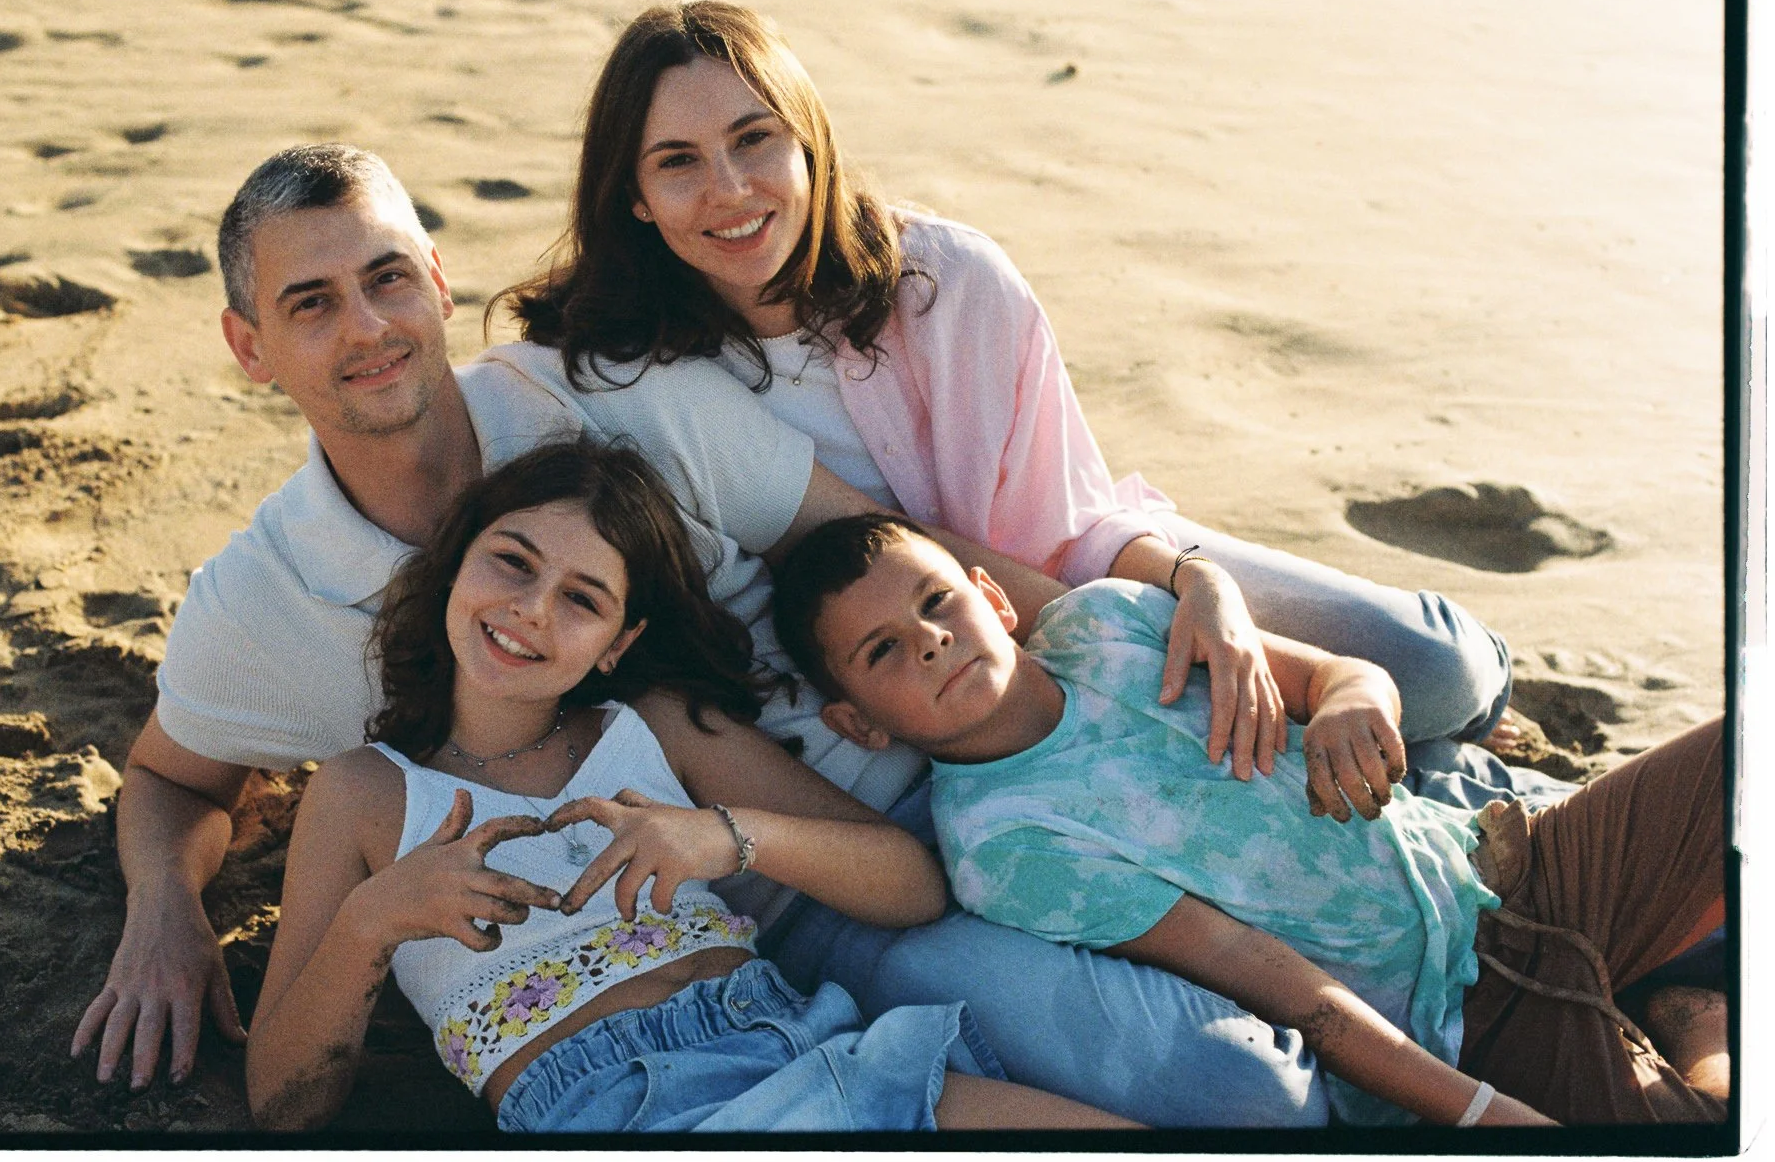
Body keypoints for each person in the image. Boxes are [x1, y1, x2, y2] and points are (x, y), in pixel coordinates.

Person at [72, 142, 1321, 1125]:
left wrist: (1171, 583)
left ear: (438, 279)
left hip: (922, 786)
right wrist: (161, 911)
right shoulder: (266, 603)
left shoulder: (605, 396)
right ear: (249, 346)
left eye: (388, 276)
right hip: (776, 926)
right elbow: (174, 776)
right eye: (311, 302)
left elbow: (880, 543)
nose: (368, 327)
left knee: (1385, 759)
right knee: (1230, 1093)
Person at [498, 0, 1567, 816]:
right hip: (914, 667)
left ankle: (1470, 720)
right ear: (631, 195)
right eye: (677, 162)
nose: (729, 190)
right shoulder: (638, 374)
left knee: (1435, 669)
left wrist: (1199, 590)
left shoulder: (946, 281)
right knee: (1277, 749)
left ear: (808, 141)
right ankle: (1452, 773)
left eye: (753, 139)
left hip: (1088, 574)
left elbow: (1066, 522)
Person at [248, 439, 1137, 1132]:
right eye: (512, 562)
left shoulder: (651, 726)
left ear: (618, 644)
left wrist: (723, 837)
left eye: (582, 598)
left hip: (817, 1048)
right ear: (455, 563)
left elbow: (910, 881)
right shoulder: (363, 793)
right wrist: (376, 918)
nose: (530, 610)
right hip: (613, 1108)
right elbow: (284, 1106)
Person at [770, 513, 1730, 1126]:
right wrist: (1482, 1112)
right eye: (885, 650)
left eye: (937, 601)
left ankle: (1688, 1024)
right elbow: (1275, 981)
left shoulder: (1106, 620)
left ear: (991, 597)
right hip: (1462, 1022)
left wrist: (1361, 704)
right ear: (857, 720)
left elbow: (1336, 676)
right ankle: (1694, 1038)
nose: (932, 638)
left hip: (1512, 863)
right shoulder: (1004, 846)